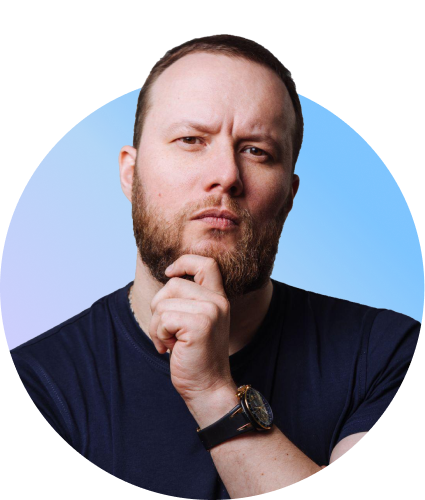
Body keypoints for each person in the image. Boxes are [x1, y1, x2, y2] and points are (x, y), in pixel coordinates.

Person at [10, 34, 420, 498]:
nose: (226, 174)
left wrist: (211, 392)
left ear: (288, 196)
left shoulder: (386, 355)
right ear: (130, 173)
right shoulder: (39, 385)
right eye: (191, 140)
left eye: (256, 151)